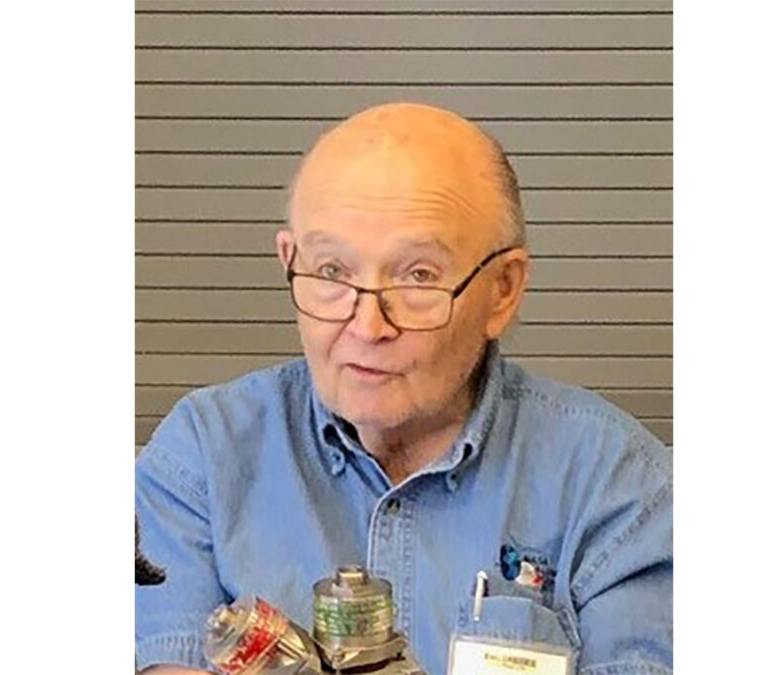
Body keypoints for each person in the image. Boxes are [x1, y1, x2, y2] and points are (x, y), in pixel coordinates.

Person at [136, 103, 672, 674]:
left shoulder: (617, 485)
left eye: (419, 276)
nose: (367, 327)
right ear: (289, 261)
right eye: (331, 272)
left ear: (503, 290)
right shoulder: (200, 458)